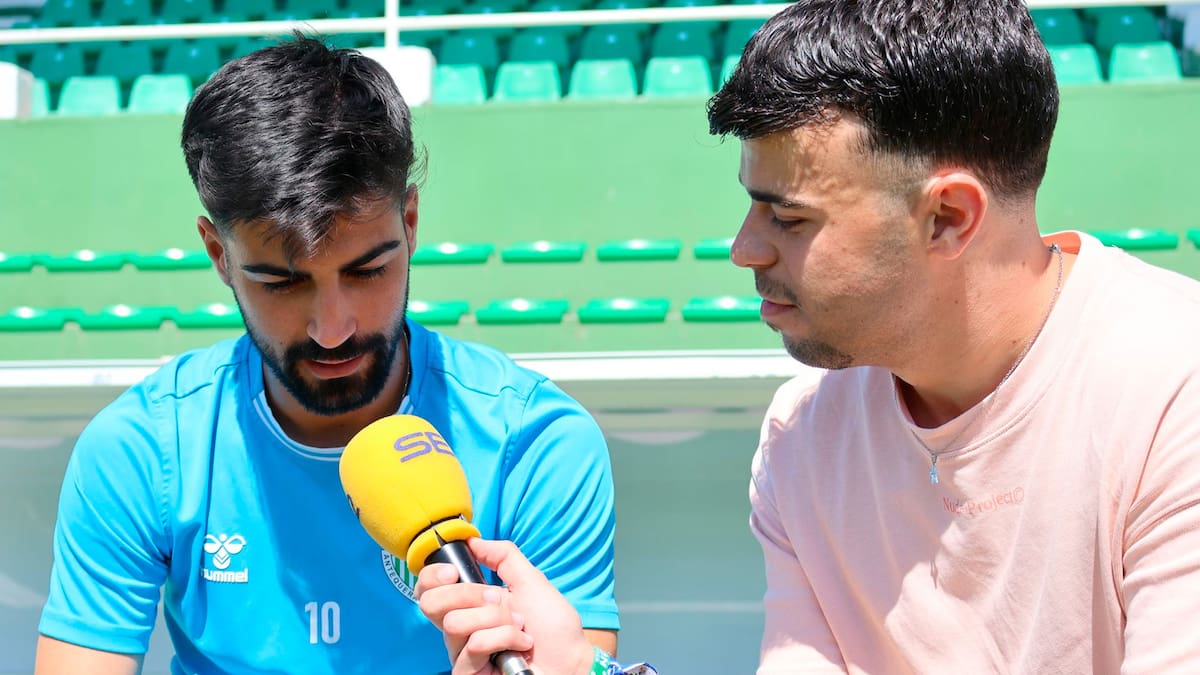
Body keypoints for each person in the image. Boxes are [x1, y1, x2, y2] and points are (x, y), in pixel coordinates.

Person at [415, 0, 1200, 672]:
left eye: (787, 217)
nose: (743, 248)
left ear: (948, 217)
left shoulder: (1174, 390)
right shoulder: (804, 433)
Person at [34, 35, 619, 674]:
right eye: (283, 283)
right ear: (218, 254)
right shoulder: (140, 450)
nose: (334, 328)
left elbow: (574, 661)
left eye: (368, 270)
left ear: (412, 222)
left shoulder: (536, 443)